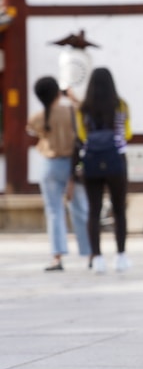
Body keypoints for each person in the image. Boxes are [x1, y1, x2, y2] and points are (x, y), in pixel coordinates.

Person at [26, 76, 92, 272]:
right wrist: (72, 97)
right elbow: (86, 113)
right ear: (57, 92)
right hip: (72, 165)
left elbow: (31, 130)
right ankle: (89, 253)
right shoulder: (71, 110)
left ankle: (57, 256)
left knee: (54, 211)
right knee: (80, 208)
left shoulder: (38, 116)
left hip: (50, 165)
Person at [76, 67, 132, 274]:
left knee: (94, 210)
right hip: (116, 158)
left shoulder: (83, 109)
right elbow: (127, 132)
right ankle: (121, 255)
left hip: (92, 160)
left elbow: (81, 137)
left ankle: (97, 258)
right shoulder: (120, 105)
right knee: (118, 209)